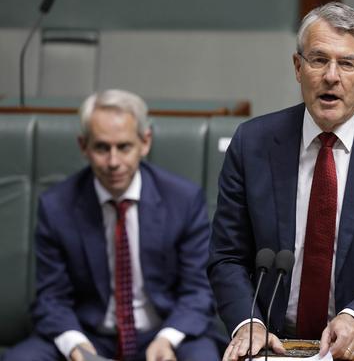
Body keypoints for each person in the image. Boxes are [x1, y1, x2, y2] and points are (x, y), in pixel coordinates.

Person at [207, 2, 354, 361]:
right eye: (318, 60)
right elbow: (226, 256)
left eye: (346, 63)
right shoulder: (252, 142)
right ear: (298, 67)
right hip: (275, 346)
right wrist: (247, 321)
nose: (331, 76)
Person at [4, 89, 221, 361]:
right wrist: (76, 345)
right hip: (88, 334)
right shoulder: (56, 206)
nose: (113, 162)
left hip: (163, 332)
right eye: (102, 148)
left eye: (124, 147)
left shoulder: (183, 200)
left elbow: (198, 291)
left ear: (145, 142)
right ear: (84, 146)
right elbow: (51, 297)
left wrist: (167, 338)